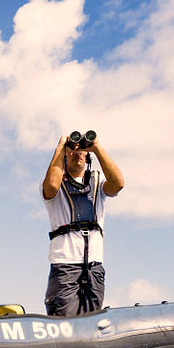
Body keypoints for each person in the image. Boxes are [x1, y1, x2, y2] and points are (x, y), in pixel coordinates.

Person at [39, 132, 125, 316]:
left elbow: (118, 184)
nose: (77, 153)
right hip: (65, 265)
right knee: (63, 325)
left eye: (82, 151)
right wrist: (61, 147)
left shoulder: (97, 182)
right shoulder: (53, 182)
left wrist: (97, 147)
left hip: (94, 267)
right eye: (72, 150)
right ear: (64, 156)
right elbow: (52, 186)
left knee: (91, 327)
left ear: (88, 156)